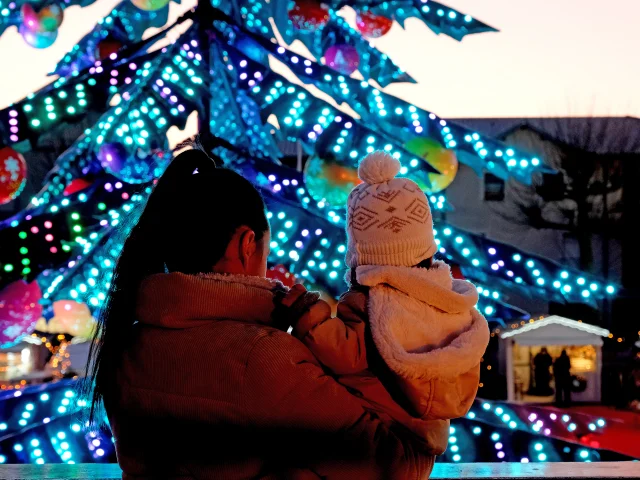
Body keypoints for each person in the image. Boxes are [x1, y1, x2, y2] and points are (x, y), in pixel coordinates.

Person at [86, 148, 439, 479]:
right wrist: (429, 381)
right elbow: (399, 465)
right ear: (246, 244)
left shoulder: (128, 345)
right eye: (266, 253)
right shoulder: (264, 357)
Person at [280, 151, 489, 425]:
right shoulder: (449, 297)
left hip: (380, 438)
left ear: (360, 252)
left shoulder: (372, 302)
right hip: (428, 438)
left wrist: (307, 312)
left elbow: (346, 354)